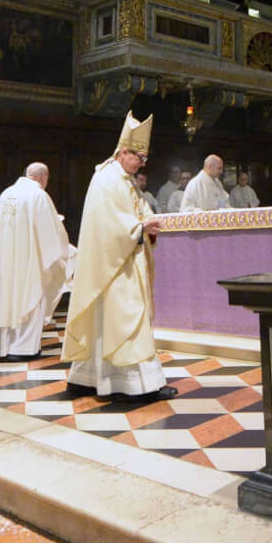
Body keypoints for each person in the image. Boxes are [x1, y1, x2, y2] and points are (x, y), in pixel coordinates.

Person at [63, 112, 175, 401]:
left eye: (144, 158)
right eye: (139, 156)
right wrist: (140, 229)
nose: (141, 163)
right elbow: (110, 224)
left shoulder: (123, 178)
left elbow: (135, 210)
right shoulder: (107, 179)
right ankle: (132, 385)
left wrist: (147, 223)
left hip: (119, 261)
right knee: (124, 320)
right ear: (124, 151)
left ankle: (89, 378)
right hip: (114, 266)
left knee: (108, 322)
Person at [0, 162, 72, 362]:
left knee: (9, 300)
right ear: (43, 177)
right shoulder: (39, 196)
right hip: (30, 260)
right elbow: (50, 232)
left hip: (7, 259)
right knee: (30, 297)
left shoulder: (7, 193)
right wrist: (66, 249)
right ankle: (24, 349)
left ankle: (6, 347)